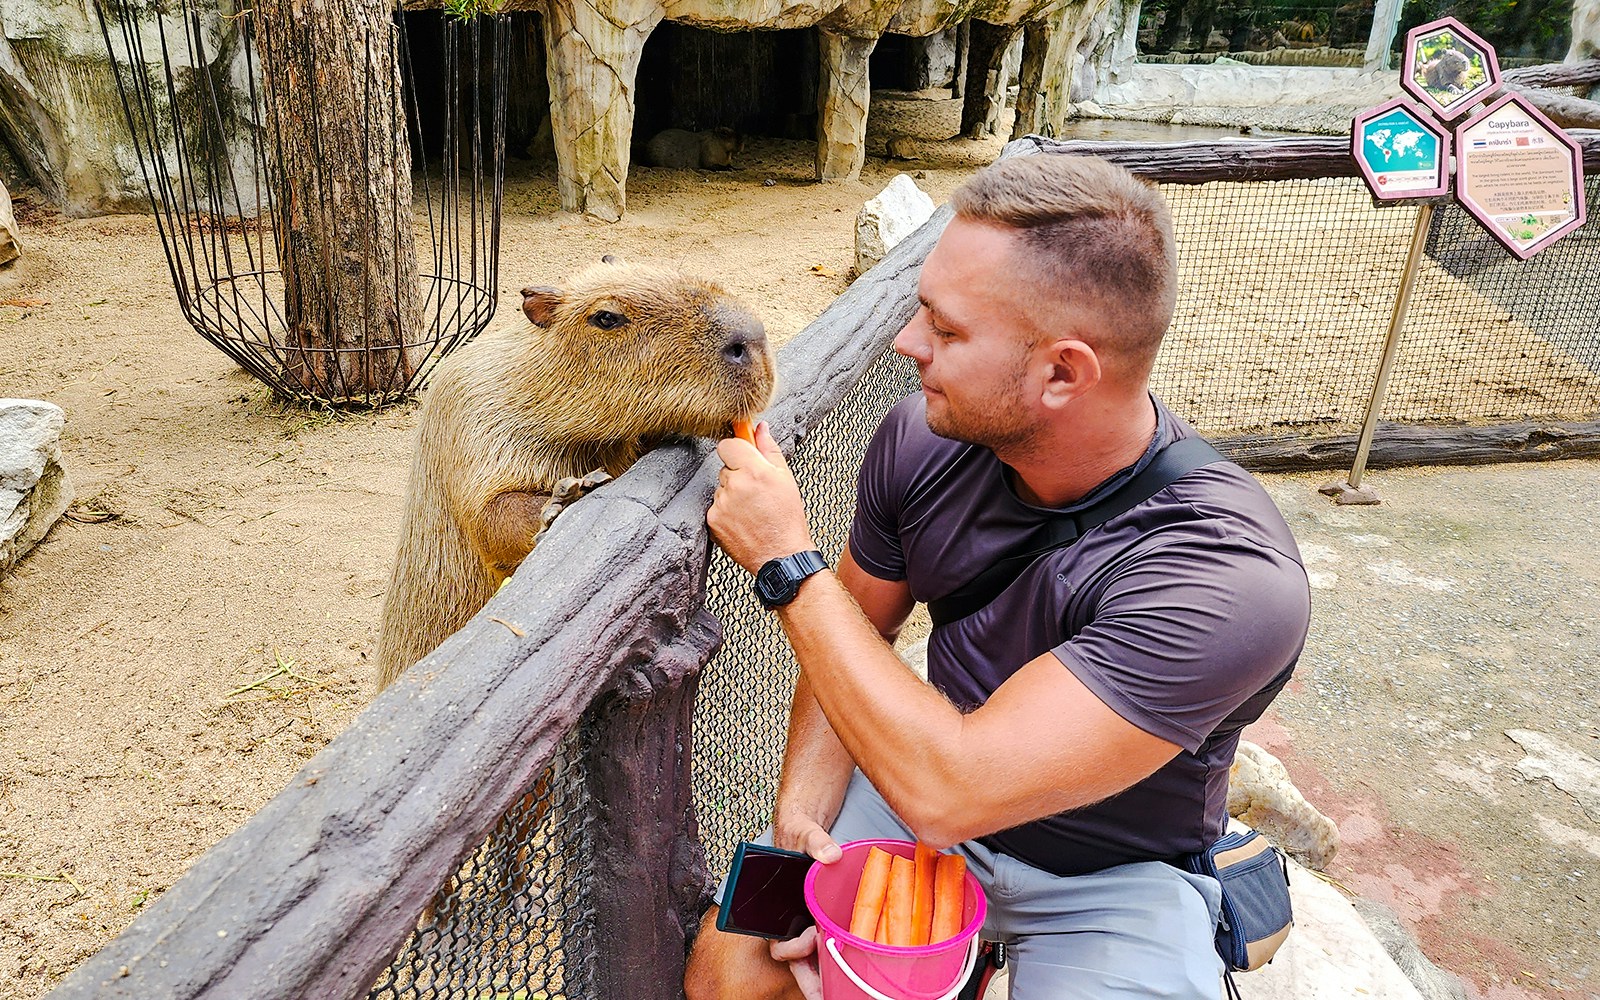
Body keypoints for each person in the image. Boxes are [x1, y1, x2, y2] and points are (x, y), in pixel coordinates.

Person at [688, 154, 1311, 1000]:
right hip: (921, 803)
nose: (909, 345)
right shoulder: (919, 438)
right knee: (730, 974)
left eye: (946, 332)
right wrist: (801, 814)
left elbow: (955, 790)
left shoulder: (1224, 578)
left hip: (1111, 873)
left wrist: (785, 561)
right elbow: (862, 632)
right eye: (921, 313)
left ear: (1062, 372)